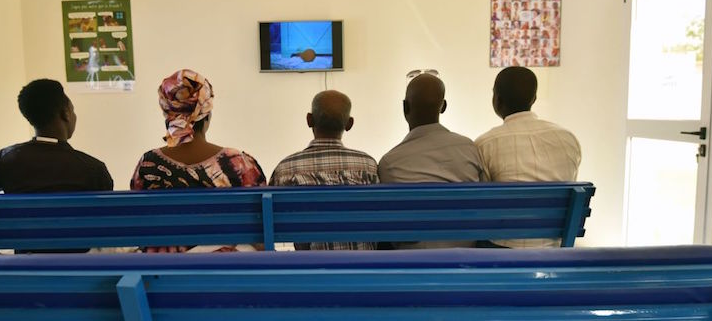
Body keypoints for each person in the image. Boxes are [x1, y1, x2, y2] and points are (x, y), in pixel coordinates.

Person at [0, 79, 114, 253]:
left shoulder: (4, 160)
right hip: (82, 271)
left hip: (24, 267)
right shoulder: (93, 169)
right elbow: (107, 226)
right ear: (66, 113)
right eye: (73, 110)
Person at [130, 69, 266, 253]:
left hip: (163, 272)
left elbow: (138, 222)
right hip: (225, 272)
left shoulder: (148, 164)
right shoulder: (239, 162)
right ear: (207, 116)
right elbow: (261, 227)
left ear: (168, 115)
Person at [475, 66, 581, 248]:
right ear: (534, 99)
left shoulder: (485, 144)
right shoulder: (568, 139)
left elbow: (482, 204)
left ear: (497, 100)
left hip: (501, 250)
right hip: (553, 248)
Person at [378, 72, 483, 249]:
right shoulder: (469, 149)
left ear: (405, 107)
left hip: (413, 263)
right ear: (443, 106)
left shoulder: (389, 163)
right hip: (464, 256)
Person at [270, 90, 379, 251]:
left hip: (310, 268)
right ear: (349, 124)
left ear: (309, 120)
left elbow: (273, 222)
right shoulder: (368, 166)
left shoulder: (286, 169)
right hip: (362, 267)